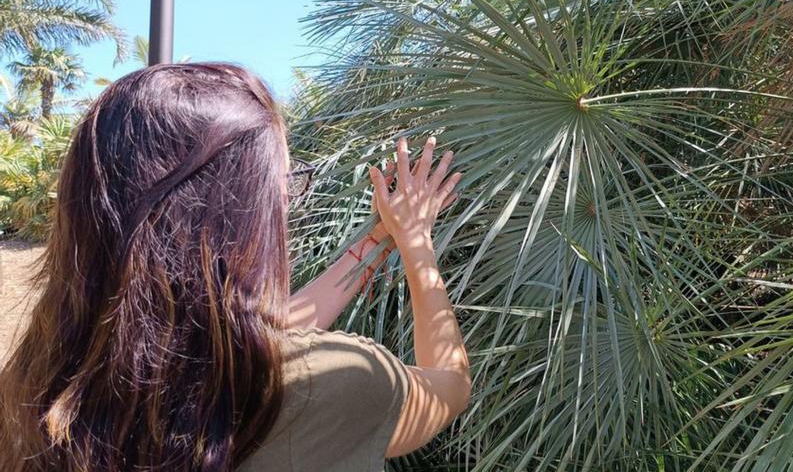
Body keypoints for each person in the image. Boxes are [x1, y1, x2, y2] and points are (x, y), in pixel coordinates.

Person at [0, 62, 471, 471]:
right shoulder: (341, 383)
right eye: (281, 182)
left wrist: (377, 241)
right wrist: (415, 242)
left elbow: (259, 333)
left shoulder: (35, 384)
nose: (286, 200)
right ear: (241, 212)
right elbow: (450, 386)